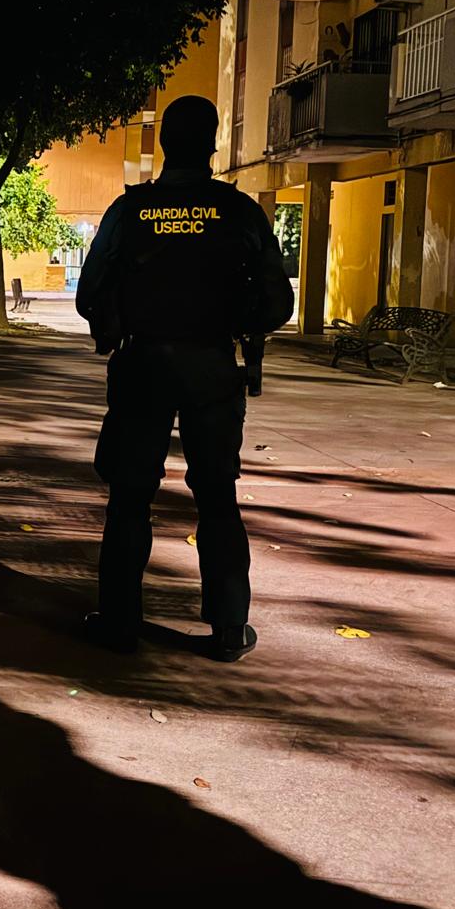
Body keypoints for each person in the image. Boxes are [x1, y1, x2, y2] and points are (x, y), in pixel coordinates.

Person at [75, 95, 293, 660]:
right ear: (214, 142)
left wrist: (120, 319)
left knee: (128, 497)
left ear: (165, 144)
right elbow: (277, 302)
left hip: (143, 364)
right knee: (218, 497)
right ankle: (227, 629)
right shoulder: (239, 210)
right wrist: (234, 319)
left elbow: (89, 292)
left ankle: (120, 622)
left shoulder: (131, 211)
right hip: (212, 368)